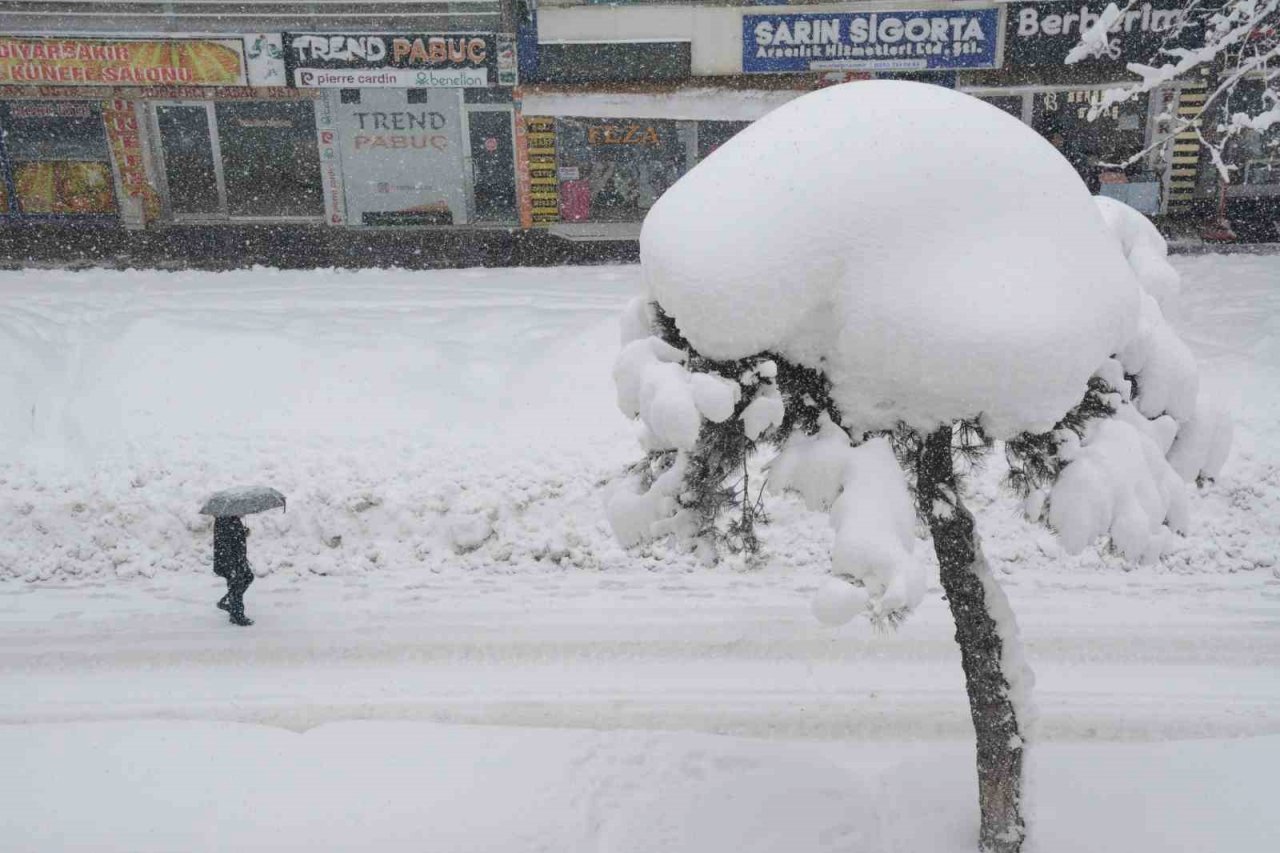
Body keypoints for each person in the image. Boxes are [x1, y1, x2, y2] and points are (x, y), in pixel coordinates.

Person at [213, 516, 255, 626]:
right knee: (236, 583)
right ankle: (237, 615)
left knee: (248, 577)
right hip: (229, 560)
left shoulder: (233, 518)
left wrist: (242, 532)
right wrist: (239, 533)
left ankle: (227, 601)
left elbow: (234, 535)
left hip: (238, 559)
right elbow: (225, 540)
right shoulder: (223, 519)